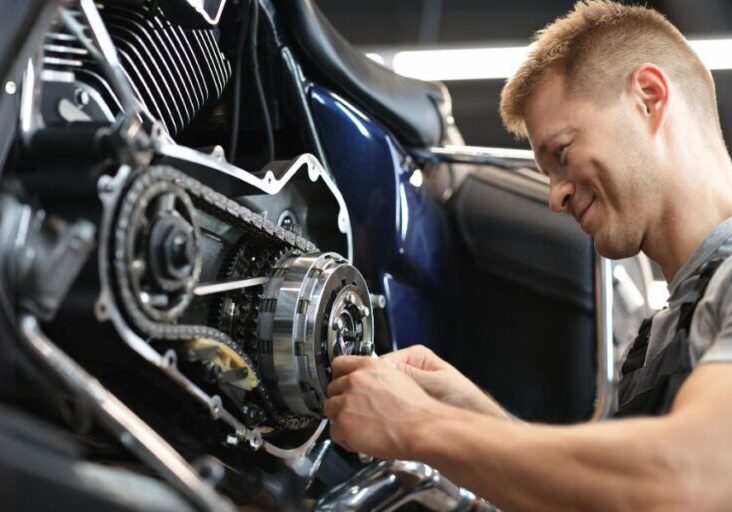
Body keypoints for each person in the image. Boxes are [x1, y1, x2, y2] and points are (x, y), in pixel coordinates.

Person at [323, 1, 732, 509]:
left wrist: (420, 424)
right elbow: (596, 497)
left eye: (562, 154)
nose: (555, 197)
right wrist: (469, 412)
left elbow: (690, 481)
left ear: (648, 96)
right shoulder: (657, 338)